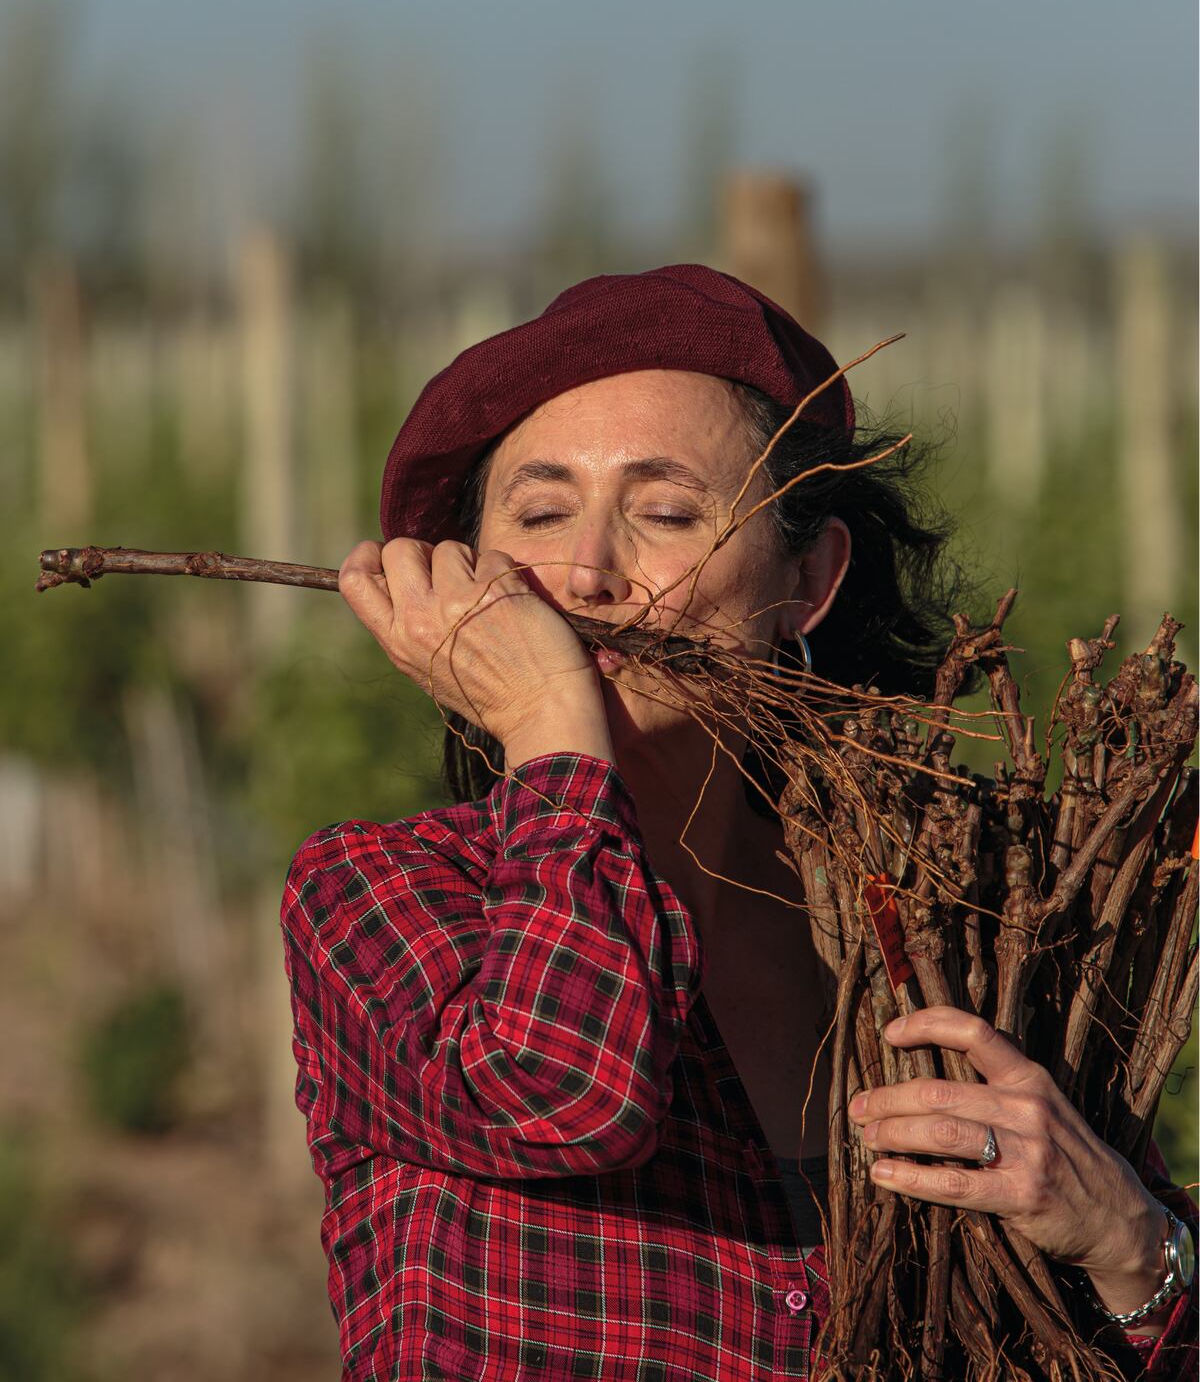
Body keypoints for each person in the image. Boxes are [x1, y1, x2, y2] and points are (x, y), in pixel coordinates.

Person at [281, 265, 1197, 1380]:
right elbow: (564, 1089)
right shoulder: (382, 898)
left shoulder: (935, 928)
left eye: (664, 512)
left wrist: (1129, 1242)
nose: (585, 573)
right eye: (538, 512)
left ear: (806, 578)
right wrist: (549, 729)